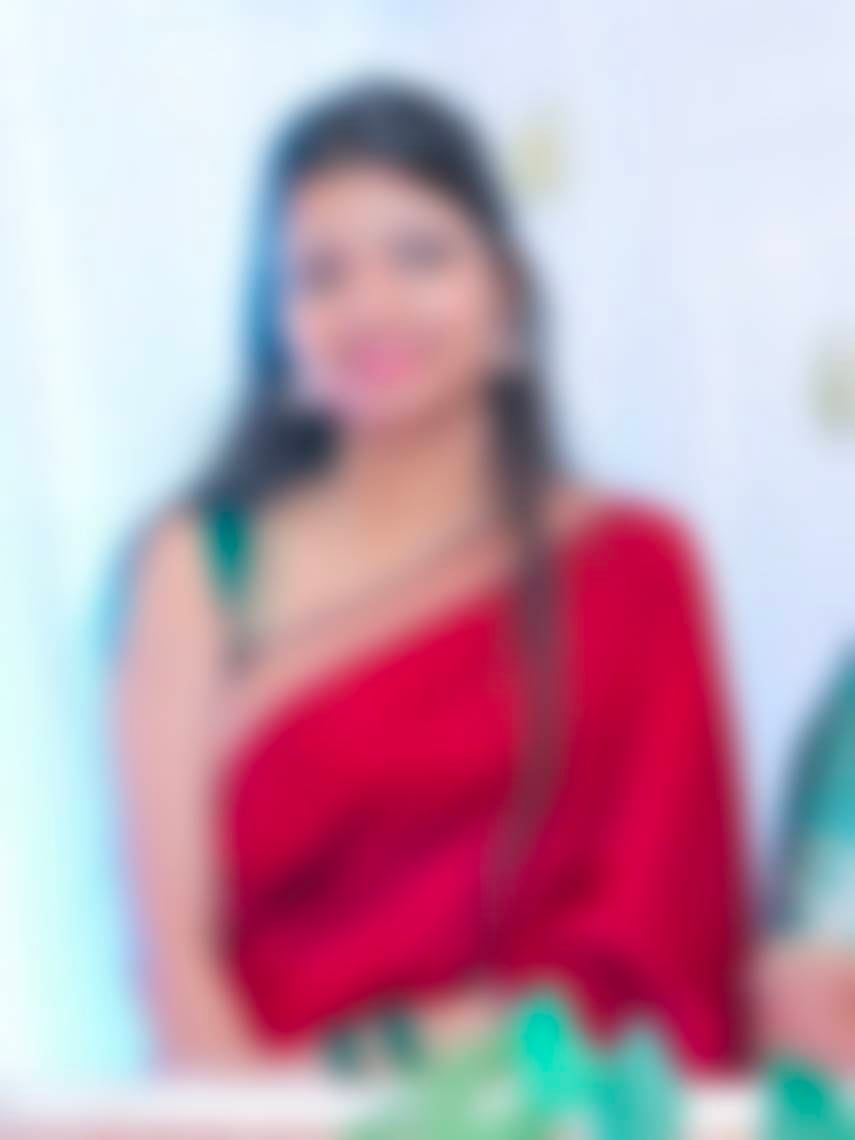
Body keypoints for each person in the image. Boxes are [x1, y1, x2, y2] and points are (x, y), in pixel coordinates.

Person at [115, 80, 746, 1073]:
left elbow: (661, 938)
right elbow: (173, 965)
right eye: (321, 274)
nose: (371, 307)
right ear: (277, 325)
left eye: (419, 255)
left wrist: (407, 1079)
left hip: (544, 1107)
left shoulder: (632, 568)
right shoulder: (200, 568)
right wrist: (273, 1118)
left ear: (506, 297)